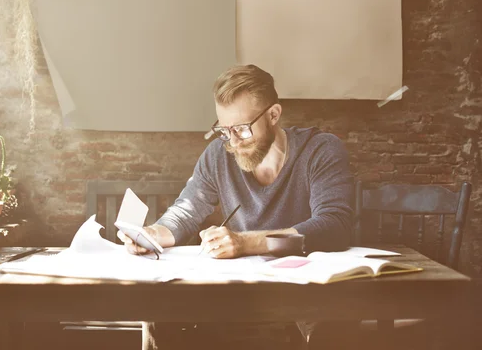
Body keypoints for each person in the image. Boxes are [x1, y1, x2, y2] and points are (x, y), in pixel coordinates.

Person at [118, 64, 355, 350]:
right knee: (159, 307)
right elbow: (187, 210)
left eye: (242, 129)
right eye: (223, 130)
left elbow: (334, 225)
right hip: (241, 293)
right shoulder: (219, 154)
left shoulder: (320, 150)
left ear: (273, 115)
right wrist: (154, 234)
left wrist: (246, 242)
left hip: (303, 292)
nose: (232, 142)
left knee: (338, 319)